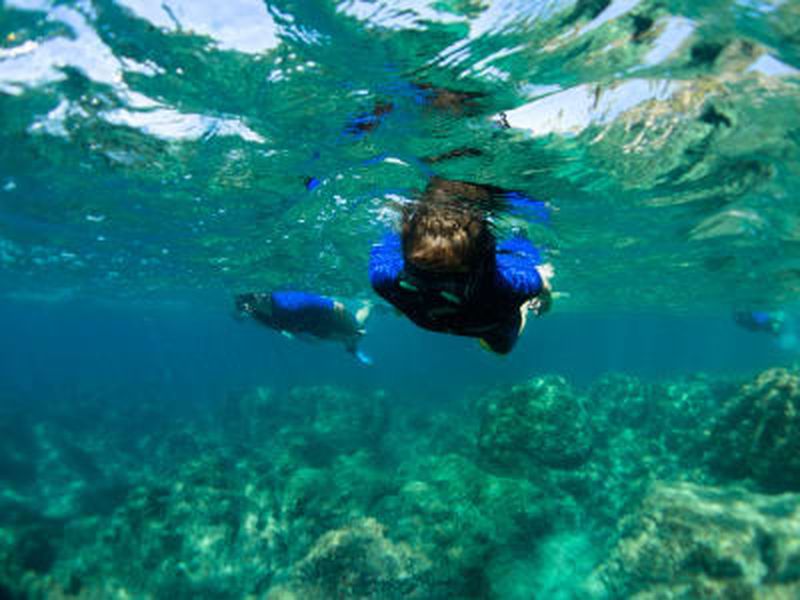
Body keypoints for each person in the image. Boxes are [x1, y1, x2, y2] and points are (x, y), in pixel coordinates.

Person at [369, 177, 552, 354]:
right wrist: (545, 293)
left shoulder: (382, 277)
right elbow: (539, 283)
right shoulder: (512, 284)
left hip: (429, 321)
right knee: (501, 348)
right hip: (489, 324)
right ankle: (521, 309)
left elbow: (394, 235)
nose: (437, 277)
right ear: (487, 250)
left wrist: (400, 300)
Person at [235, 290, 372, 364]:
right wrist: (300, 336)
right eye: (244, 307)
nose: (262, 295)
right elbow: (275, 326)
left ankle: (369, 305)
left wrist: (348, 325)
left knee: (357, 330)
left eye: (260, 293)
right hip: (311, 326)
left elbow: (334, 306)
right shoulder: (256, 313)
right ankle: (352, 348)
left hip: (329, 312)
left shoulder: (288, 304)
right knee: (346, 339)